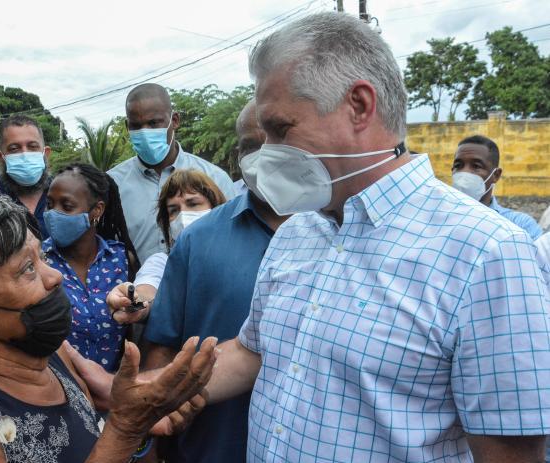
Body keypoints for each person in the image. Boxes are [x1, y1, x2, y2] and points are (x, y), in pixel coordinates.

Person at [74, 12, 550, 462]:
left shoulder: (488, 255)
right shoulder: (300, 228)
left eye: (280, 130)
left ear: (359, 106)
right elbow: (251, 352)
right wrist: (144, 392)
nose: (268, 155)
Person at [0, 181, 217, 463]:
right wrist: (125, 429)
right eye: (27, 268)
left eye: (41, 257)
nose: (54, 276)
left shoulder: (54, 357)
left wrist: (141, 425)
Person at [140, 99, 290, 463]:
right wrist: (152, 433)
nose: (261, 156)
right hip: (209, 445)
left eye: (273, 141)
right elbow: (161, 345)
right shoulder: (197, 240)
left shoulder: (331, 233)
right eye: (249, 147)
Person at [108, 83, 235, 264]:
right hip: (136, 290)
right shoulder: (112, 184)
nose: (145, 132)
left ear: (174, 120)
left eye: (153, 123)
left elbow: (233, 240)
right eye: (136, 125)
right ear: (127, 126)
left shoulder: (214, 178)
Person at [43, 163, 139, 372]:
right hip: (60, 391)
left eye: (67, 206)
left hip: (113, 391)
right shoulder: (40, 262)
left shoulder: (121, 259)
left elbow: (138, 322)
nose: (53, 214)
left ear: (97, 210)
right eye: (50, 205)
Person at [107, 169, 227, 326]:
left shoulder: (242, 254)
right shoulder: (162, 263)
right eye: (174, 210)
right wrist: (134, 301)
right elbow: (147, 288)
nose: (183, 216)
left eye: (193, 204)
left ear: (216, 206)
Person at [452, 135, 542, 239]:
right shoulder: (440, 217)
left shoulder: (520, 225)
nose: (465, 172)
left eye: (476, 166)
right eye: (458, 166)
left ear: (496, 175)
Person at [0, 115, 52, 239]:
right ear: (0, 157)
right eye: (14, 149)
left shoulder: (63, 192)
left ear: (45, 153)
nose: (25, 154)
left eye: (32, 146)